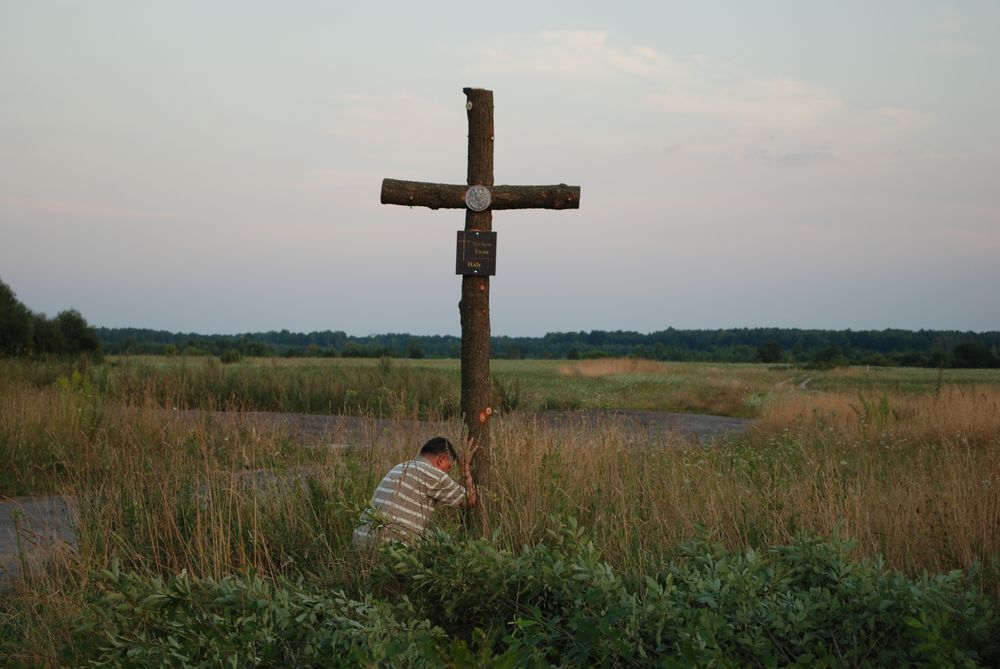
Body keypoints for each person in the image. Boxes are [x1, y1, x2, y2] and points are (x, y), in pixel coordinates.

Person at [352, 436, 478, 548]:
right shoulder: (434, 475)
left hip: (360, 540)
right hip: (388, 548)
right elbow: (469, 500)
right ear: (441, 460)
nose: (447, 473)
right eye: (449, 467)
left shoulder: (400, 467)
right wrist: (465, 470)